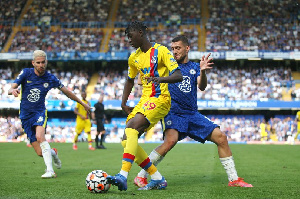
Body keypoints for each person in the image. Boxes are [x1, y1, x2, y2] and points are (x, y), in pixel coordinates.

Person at [134, 35, 253, 188]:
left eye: (178, 48)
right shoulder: (166, 66)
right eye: (173, 48)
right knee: (170, 141)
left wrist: (203, 72)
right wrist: (144, 66)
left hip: (192, 114)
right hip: (173, 112)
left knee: (221, 138)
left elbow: (202, 86)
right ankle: (141, 176)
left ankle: (234, 179)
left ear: (187, 48)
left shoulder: (195, 67)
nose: (175, 51)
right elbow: (139, 80)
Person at [106, 21, 183, 191]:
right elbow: (129, 79)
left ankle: (122, 175)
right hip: (145, 99)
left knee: (132, 127)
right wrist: (123, 101)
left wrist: (160, 79)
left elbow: (178, 75)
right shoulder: (134, 57)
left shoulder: (161, 51)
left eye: (130, 36)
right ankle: (157, 178)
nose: (128, 40)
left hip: (161, 98)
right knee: (126, 140)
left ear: (140, 33)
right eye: (127, 37)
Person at [8, 50, 91, 178]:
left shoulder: (50, 78)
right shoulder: (26, 73)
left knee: (41, 137)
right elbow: (11, 87)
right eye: (38, 62)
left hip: (39, 112)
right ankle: (53, 153)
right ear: (33, 63)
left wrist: (83, 103)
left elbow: (67, 92)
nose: (41, 65)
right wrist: (12, 90)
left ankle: (50, 171)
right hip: (25, 115)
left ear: (46, 62)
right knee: (40, 152)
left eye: (43, 62)